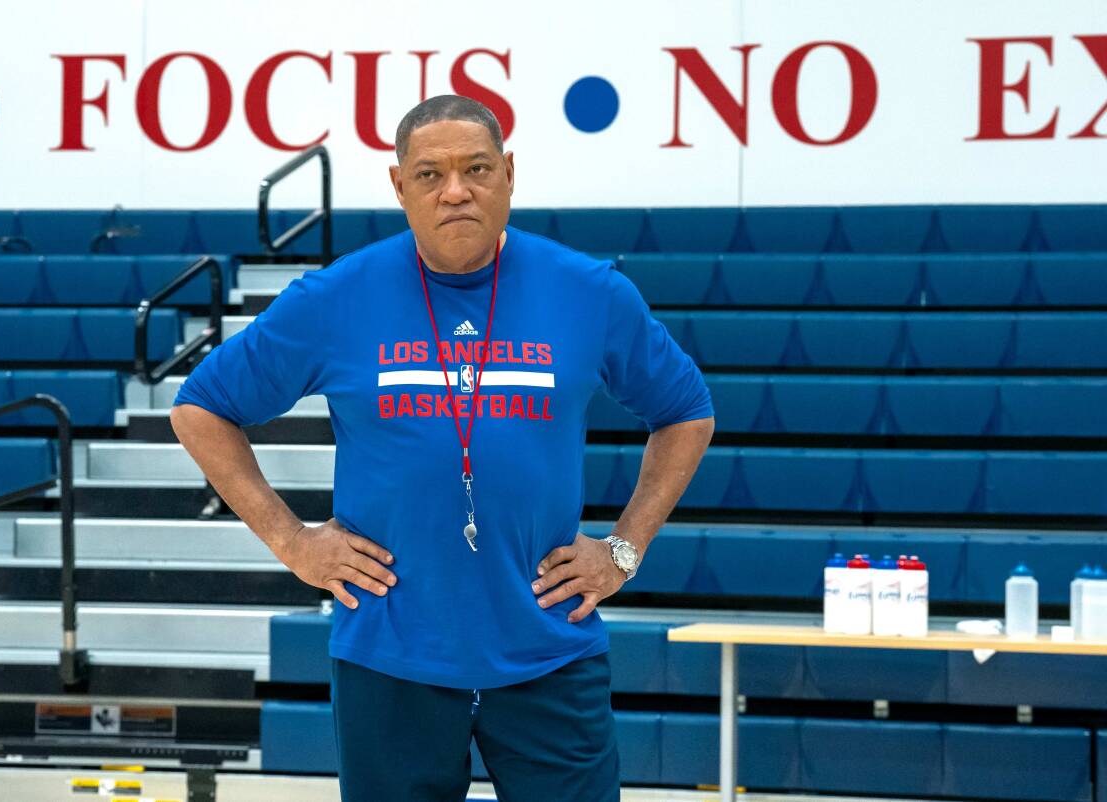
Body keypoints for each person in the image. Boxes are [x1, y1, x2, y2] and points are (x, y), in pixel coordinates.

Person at [170, 95, 715, 802]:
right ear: (399, 187)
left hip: (550, 645)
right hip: (391, 655)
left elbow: (686, 411)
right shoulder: (336, 297)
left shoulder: (589, 292)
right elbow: (200, 408)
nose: (456, 190)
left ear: (510, 175)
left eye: (476, 169)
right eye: (430, 174)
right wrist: (294, 543)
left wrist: (623, 549)